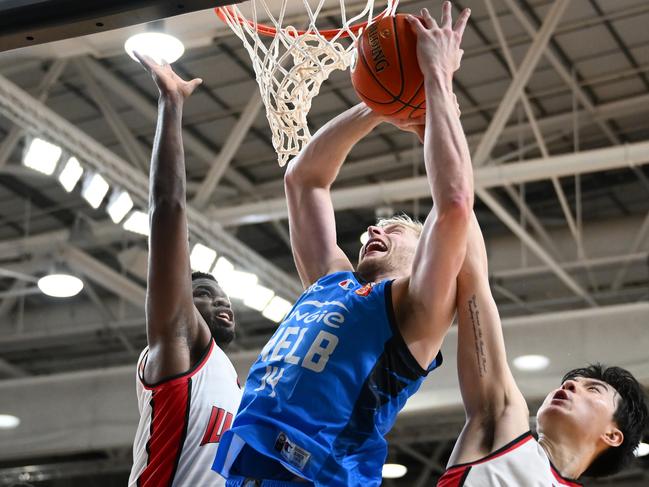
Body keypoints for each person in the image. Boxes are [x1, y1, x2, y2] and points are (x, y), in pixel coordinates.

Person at [213, 2, 473, 485]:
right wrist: (380, 103)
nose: (374, 230)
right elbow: (304, 180)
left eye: (395, 231)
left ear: (426, 254)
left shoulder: (416, 312)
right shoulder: (330, 282)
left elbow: (454, 202)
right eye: (375, 227)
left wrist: (435, 77)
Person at [437, 215, 649, 486]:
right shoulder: (504, 427)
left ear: (612, 435)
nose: (571, 385)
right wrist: (457, 201)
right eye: (574, 382)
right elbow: (474, 278)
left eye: (593, 389)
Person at [128, 53, 242, 487]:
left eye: (220, 293)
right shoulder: (180, 341)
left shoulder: (233, 384)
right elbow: (168, 210)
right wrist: (171, 105)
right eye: (204, 293)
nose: (220, 299)